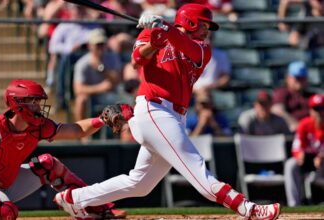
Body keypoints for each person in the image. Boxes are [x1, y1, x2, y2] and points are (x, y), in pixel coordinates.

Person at [54, 4, 281, 220]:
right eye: (203, 25)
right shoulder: (151, 34)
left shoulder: (203, 48)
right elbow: (137, 61)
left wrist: (166, 30)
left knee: (140, 184)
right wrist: (154, 40)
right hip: (153, 109)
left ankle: (74, 198)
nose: (206, 30)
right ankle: (246, 208)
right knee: (197, 168)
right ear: (189, 22)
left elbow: (189, 49)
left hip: (174, 116)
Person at [0, 79, 126, 219]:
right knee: (4, 211)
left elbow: (76, 130)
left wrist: (102, 119)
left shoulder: (38, 126)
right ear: (17, 104)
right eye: (33, 102)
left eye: (38, 102)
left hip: (5, 184)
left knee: (48, 164)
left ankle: (98, 209)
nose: (39, 107)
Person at [73, 28, 122, 122]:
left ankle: (125, 134)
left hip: (111, 95)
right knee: (81, 99)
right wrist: (100, 88)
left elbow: (118, 79)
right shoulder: (82, 63)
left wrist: (102, 69)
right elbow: (78, 89)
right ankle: (81, 133)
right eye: (97, 45)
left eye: (102, 44)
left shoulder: (113, 57)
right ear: (90, 46)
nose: (100, 47)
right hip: (91, 98)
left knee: (130, 100)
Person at [284, 93, 324, 207]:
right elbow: (297, 147)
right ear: (311, 110)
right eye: (316, 109)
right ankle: (294, 205)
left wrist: (322, 156)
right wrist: (299, 154)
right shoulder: (304, 124)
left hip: (322, 163)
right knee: (291, 164)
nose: (319, 112)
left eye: (322, 108)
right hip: (309, 160)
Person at [271, 61, 313, 132]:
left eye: (302, 78)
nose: (300, 81)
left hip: (310, 133)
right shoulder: (282, 92)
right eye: (297, 78)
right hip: (290, 135)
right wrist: (297, 125)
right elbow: (277, 110)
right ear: (288, 78)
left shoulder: (311, 95)